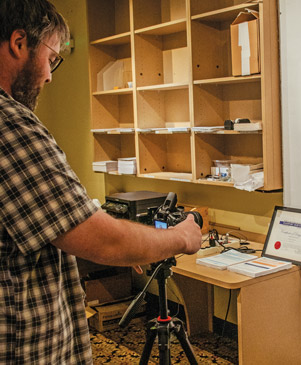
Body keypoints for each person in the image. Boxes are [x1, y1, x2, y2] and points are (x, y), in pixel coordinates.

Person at [0, 1, 202, 363]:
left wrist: (134, 245)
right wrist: (180, 237)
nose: (49, 76)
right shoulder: (10, 127)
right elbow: (98, 237)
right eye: (52, 58)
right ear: (18, 43)